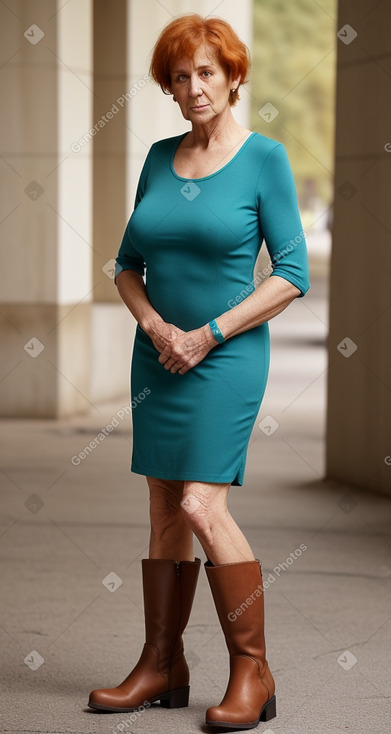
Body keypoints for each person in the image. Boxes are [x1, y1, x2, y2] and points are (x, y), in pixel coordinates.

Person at [88, 13, 310, 730]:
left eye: (206, 73)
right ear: (170, 89)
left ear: (232, 77)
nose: (194, 88)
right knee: (161, 509)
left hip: (226, 357)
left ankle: (253, 669)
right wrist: (156, 327)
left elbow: (291, 275)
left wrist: (207, 334)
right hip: (158, 357)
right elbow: (126, 265)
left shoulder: (263, 159)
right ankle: (162, 664)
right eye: (180, 78)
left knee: (199, 506)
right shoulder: (157, 158)